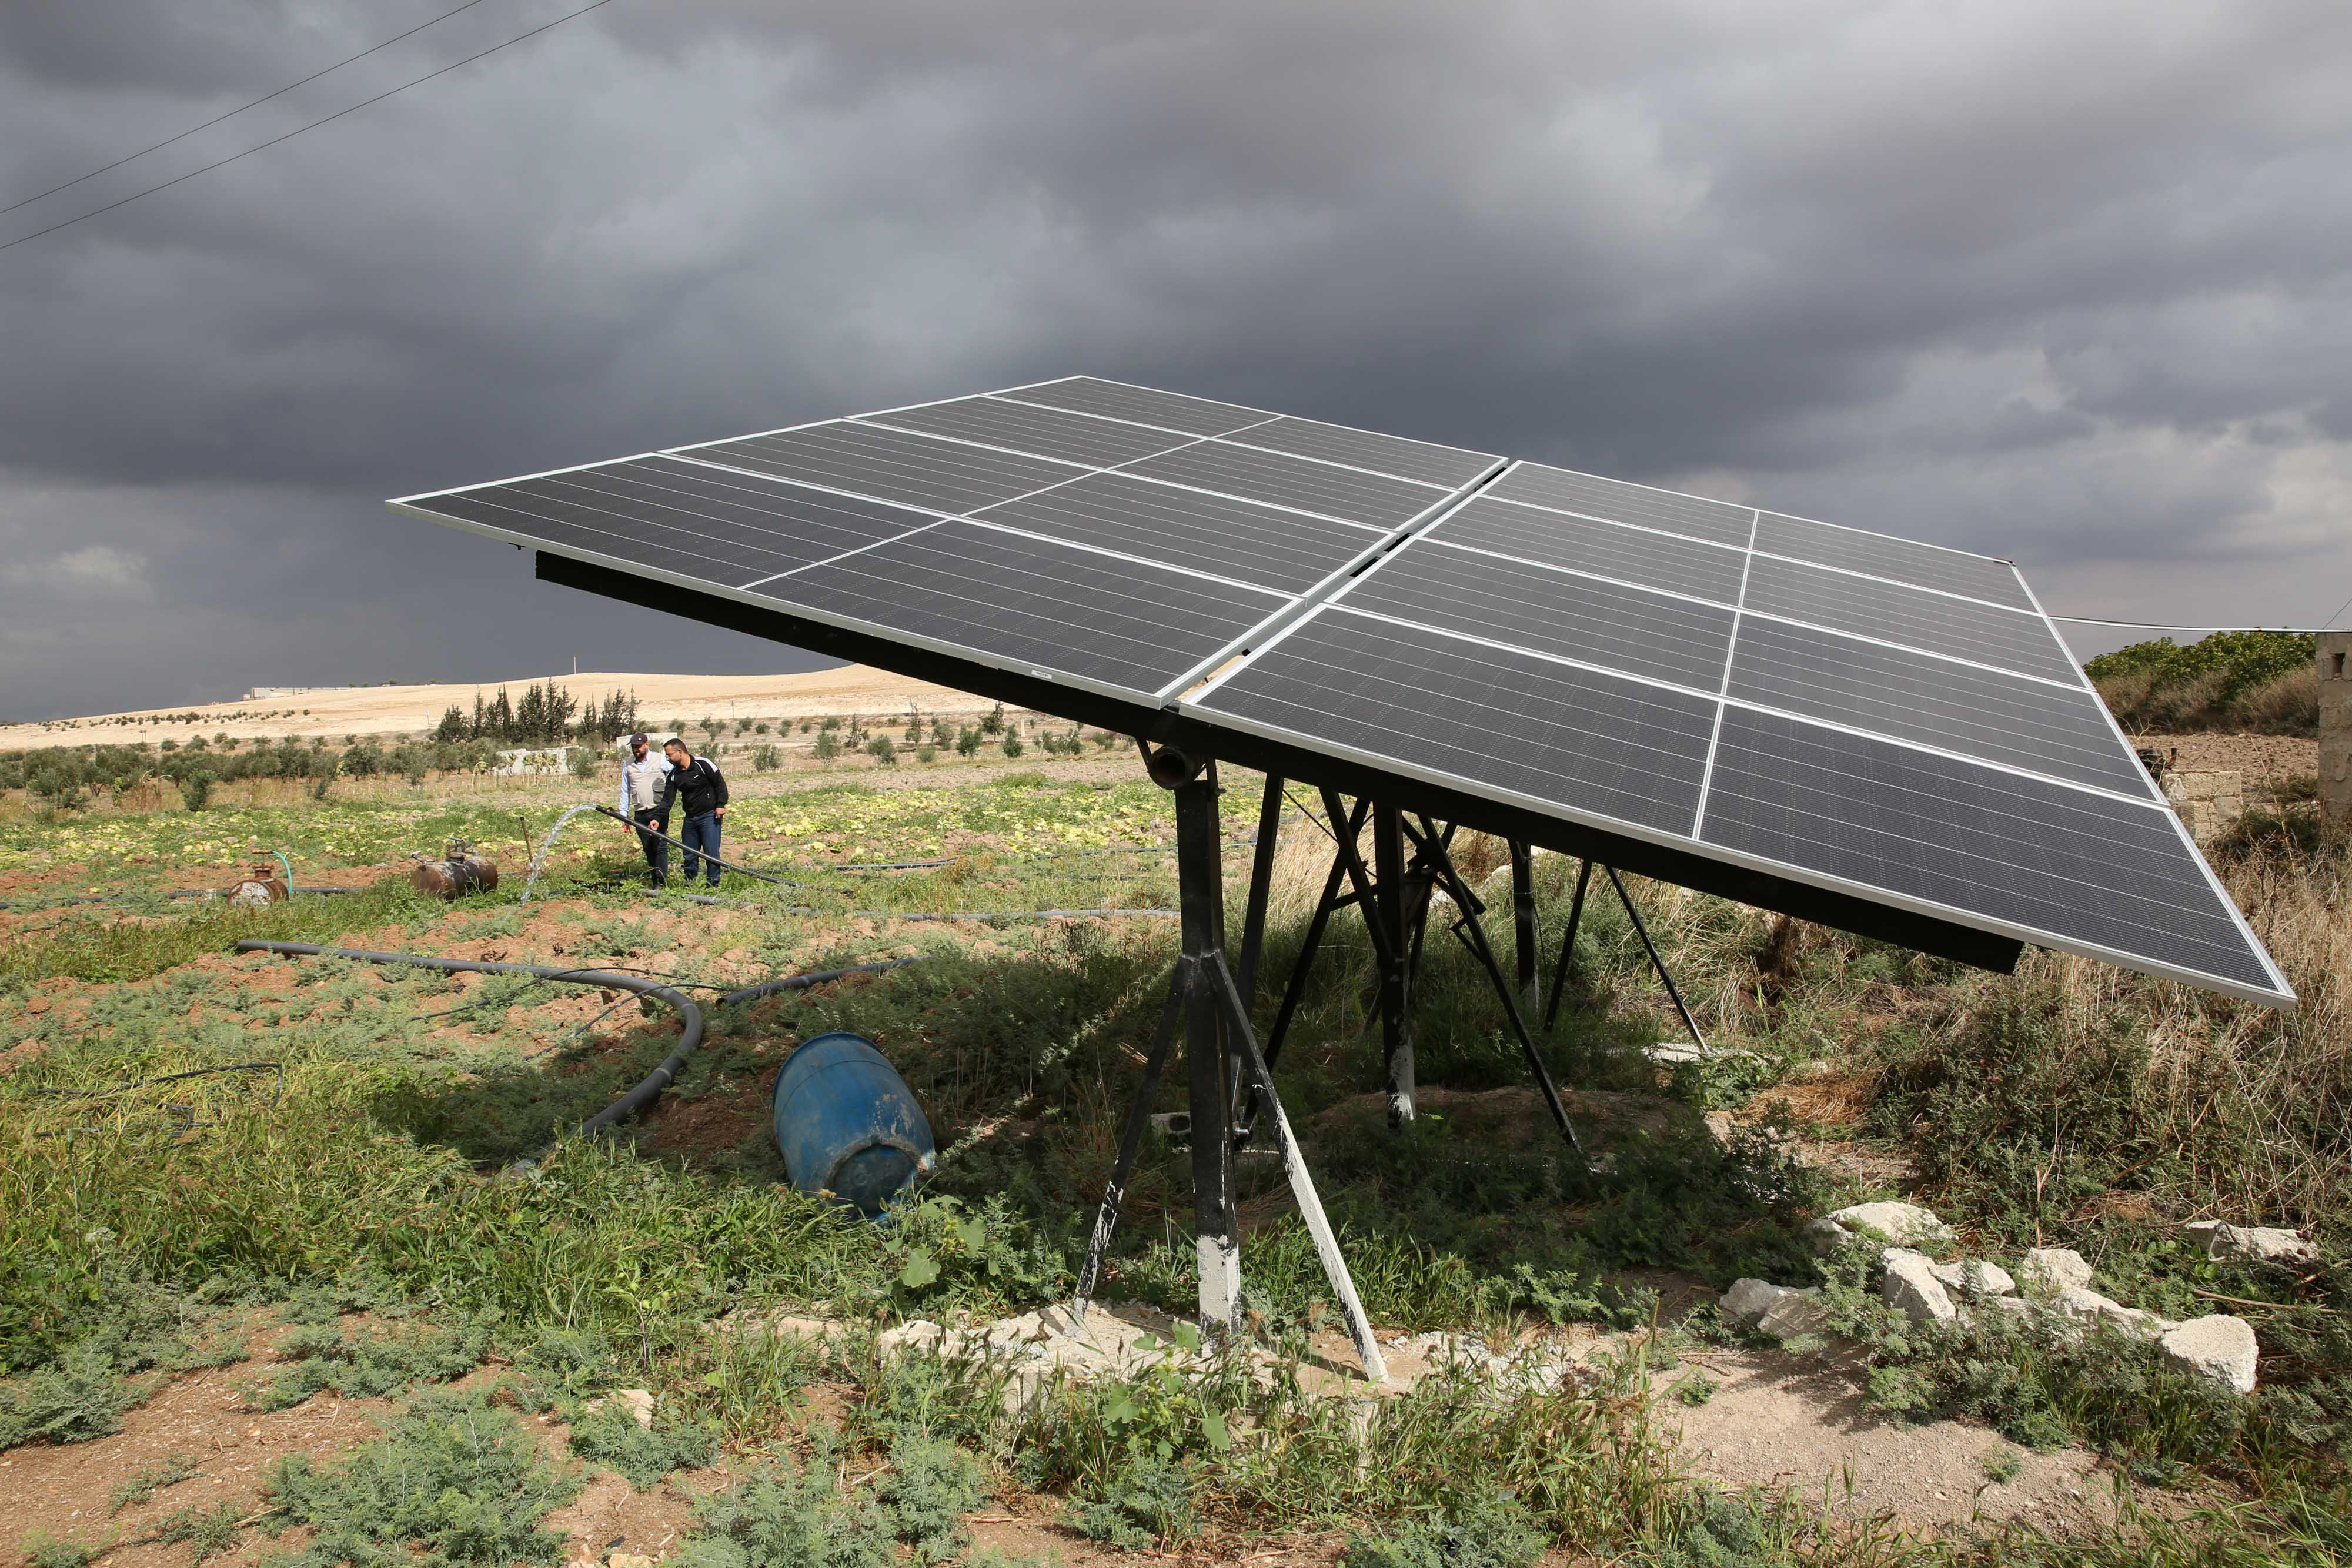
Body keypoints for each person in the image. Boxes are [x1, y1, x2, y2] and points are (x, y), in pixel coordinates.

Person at [659, 736, 730, 888]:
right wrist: (658, 818)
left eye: (670, 755)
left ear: (680, 752)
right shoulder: (674, 775)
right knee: (689, 854)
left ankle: (713, 885)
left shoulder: (703, 764)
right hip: (690, 818)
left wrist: (721, 804)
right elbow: (667, 800)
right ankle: (690, 883)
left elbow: (720, 784)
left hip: (709, 816)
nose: (668, 758)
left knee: (711, 853)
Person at [616, 731, 673, 887]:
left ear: (647, 745)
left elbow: (675, 776)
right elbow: (625, 790)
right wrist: (624, 815)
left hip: (658, 810)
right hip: (640, 811)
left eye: (639, 746)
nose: (636, 750)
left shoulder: (661, 759)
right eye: (634, 747)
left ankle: (661, 883)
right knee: (648, 847)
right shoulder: (628, 764)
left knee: (660, 845)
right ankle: (654, 880)